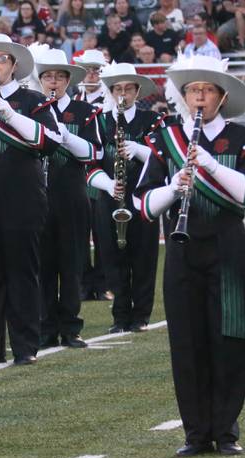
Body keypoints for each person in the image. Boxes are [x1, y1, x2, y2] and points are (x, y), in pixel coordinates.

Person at [135, 53, 245, 456]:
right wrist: (175, 186)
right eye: (193, 89)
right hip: (182, 250)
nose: (199, 97)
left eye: (207, 90)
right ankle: (195, 433)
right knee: (188, 342)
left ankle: (226, 430)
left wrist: (210, 165)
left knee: (229, 339)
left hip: (229, 251)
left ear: (221, 96)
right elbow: (144, 205)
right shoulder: (166, 139)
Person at [0, 32, 61, 367]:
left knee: (22, 269)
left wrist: (9, 117)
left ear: (14, 65)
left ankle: (25, 346)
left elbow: (51, 142)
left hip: (23, 195)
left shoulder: (33, 100)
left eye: (1, 59)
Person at [26, 44, 101, 349]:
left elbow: (93, 152)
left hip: (70, 192)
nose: (53, 82)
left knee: (72, 263)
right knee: (42, 265)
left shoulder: (84, 112)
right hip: (36, 194)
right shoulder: (31, 108)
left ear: (68, 80)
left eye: (59, 76)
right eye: (48, 77)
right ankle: (45, 327)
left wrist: (63, 134)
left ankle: (71, 327)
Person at [87, 62, 162, 333]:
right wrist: (107, 184)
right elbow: (90, 162)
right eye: (117, 89)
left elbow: (163, 159)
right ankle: (120, 316)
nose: (123, 94)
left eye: (128, 89)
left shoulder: (153, 121)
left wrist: (140, 150)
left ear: (137, 91)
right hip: (111, 196)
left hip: (143, 197)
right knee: (111, 256)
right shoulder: (100, 120)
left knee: (143, 256)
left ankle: (141, 315)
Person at [72, 49, 112, 302]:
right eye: (87, 69)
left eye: (96, 70)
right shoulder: (74, 99)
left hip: (100, 171)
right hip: (77, 173)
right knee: (79, 232)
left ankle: (103, 282)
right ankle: (84, 283)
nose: (91, 74)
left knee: (102, 231)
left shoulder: (108, 101)